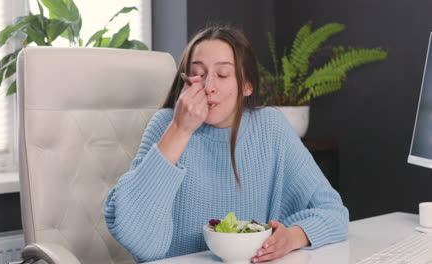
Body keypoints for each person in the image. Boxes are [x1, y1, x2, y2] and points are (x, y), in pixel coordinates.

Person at [103, 25, 349, 263]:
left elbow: (334, 212)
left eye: (222, 74)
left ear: (247, 85)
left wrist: (292, 238)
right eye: (198, 74)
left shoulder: (270, 127)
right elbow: (138, 238)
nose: (209, 86)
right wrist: (180, 129)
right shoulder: (167, 124)